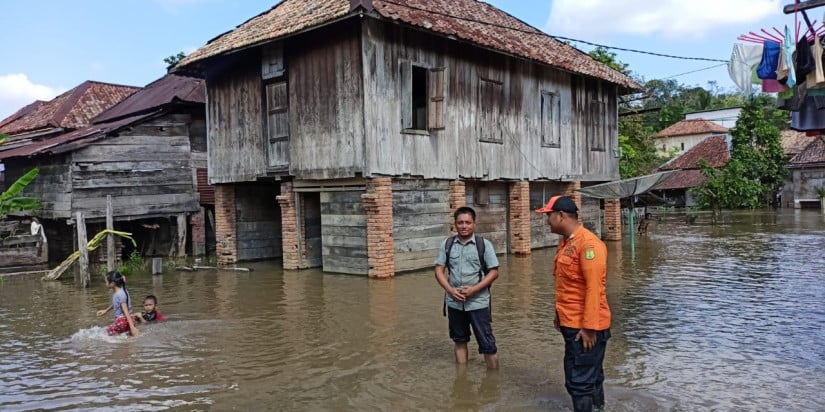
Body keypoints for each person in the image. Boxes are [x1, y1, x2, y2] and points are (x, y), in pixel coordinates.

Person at [536, 196, 611, 412]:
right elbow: (567, 286)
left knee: (580, 383)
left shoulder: (589, 245)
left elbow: (594, 288)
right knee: (589, 377)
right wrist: (558, 316)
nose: (547, 221)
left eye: (548, 216)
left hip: (585, 330)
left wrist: (589, 328)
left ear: (561, 215)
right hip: (572, 324)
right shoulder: (567, 242)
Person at [434, 206, 500, 369]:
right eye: (460, 223)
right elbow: (438, 270)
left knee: (487, 344)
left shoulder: (483, 245)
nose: (464, 226)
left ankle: (493, 382)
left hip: (478, 302)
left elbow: (494, 272)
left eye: (468, 222)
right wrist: (450, 290)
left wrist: (474, 289)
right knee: (459, 340)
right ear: (455, 225)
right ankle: (461, 379)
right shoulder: (447, 244)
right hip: (454, 302)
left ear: (474, 224)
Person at [96, 271, 139, 336]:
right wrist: (105, 310)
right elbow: (117, 304)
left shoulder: (119, 294)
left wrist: (132, 327)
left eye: (106, 282)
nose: (105, 284)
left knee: (107, 333)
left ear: (112, 283)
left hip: (122, 321)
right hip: (130, 319)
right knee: (126, 337)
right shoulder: (123, 291)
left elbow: (126, 311)